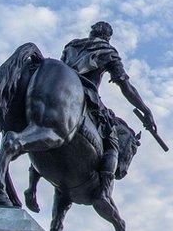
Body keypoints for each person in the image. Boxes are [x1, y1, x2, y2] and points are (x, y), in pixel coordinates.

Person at [61, 21, 156, 199]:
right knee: (112, 135)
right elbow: (125, 86)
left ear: (91, 33)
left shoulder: (72, 45)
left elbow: (61, 70)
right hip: (86, 94)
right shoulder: (109, 52)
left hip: (61, 89)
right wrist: (145, 110)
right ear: (108, 37)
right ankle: (105, 188)